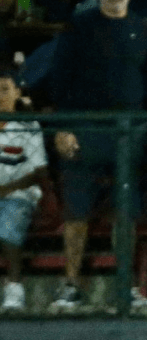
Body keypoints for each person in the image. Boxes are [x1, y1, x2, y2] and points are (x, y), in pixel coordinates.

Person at [49, 0, 147, 308]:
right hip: (84, 130)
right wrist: (63, 127)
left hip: (126, 134)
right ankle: (70, 286)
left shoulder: (139, 27)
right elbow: (59, 79)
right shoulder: (79, 26)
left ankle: (127, 288)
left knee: (127, 213)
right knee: (77, 210)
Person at [0, 60, 48, 312]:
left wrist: (6, 189)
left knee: (8, 219)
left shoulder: (28, 126)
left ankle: (14, 287)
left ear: (17, 92)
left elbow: (39, 171)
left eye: (4, 89)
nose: (0, 96)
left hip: (19, 194)